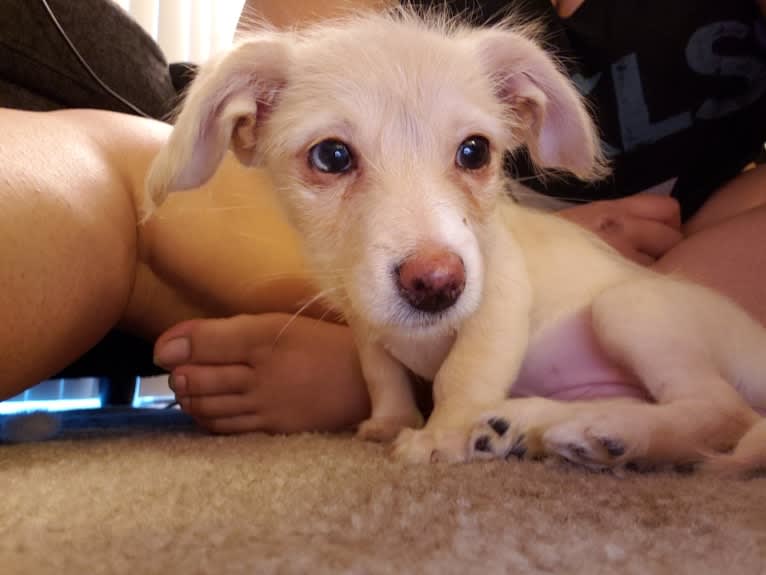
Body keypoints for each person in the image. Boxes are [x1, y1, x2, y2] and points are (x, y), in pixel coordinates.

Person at [1, 0, 765, 435]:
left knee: (107, 174)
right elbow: (284, 68)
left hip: (612, 276)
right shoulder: (267, 105)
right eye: (335, 159)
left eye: (473, 152)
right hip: (201, 147)